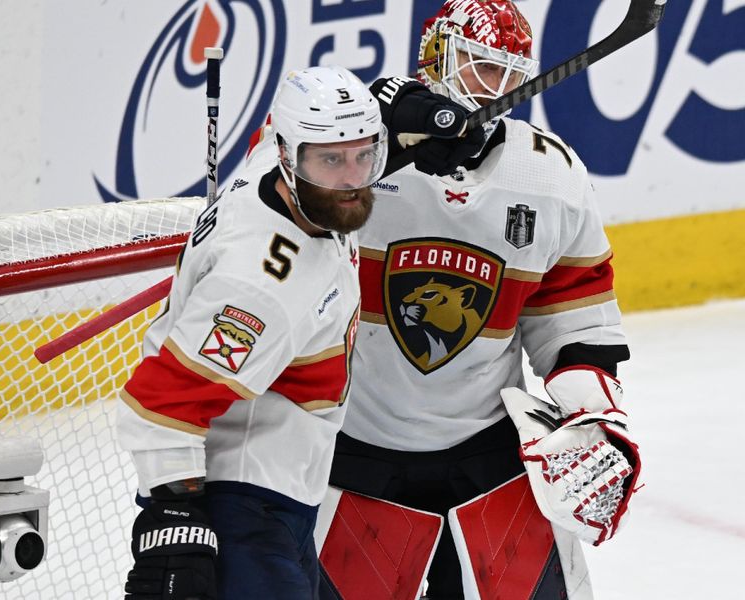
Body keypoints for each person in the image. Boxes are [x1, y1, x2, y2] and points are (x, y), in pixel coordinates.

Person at [326, 1, 641, 599]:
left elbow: (575, 314)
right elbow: (277, 179)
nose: (493, 88)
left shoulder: (550, 176)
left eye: (507, 73)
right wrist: (382, 124)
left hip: (491, 462)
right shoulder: (357, 149)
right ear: (436, 57)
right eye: (477, 66)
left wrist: (591, 418)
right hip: (350, 454)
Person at [116, 65, 390, 600]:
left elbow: (298, 129)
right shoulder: (261, 290)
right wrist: (176, 520)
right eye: (331, 160)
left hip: (286, 495)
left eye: (366, 155)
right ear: (291, 156)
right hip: (244, 503)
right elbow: (160, 406)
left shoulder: (277, 163)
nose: (353, 179)